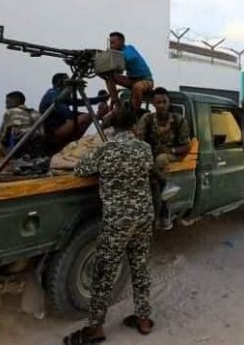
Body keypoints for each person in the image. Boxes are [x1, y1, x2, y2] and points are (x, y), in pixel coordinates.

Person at [66, 107, 155, 345]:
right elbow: (148, 167)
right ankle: (144, 319)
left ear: (113, 127)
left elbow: (81, 170)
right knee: (139, 265)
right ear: (135, 126)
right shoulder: (145, 149)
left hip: (118, 220)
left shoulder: (106, 149)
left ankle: (95, 328)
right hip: (144, 216)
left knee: (104, 271)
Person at [136, 87, 191, 229]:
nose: (161, 105)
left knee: (160, 160)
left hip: (169, 154)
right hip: (148, 153)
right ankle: (164, 185)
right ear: (153, 104)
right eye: (158, 102)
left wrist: (171, 149)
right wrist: (146, 153)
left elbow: (186, 146)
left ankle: (163, 211)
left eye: (164, 102)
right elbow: (139, 141)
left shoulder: (179, 120)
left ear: (169, 102)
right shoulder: (147, 119)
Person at [39, 73, 109, 149]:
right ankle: (69, 143)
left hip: (58, 130)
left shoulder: (59, 94)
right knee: (87, 116)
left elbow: (81, 102)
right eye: (68, 82)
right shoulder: (52, 94)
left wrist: (100, 99)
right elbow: (68, 114)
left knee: (87, 116)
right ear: (62, 83)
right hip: (53, 133)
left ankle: (68, 143)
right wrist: (93, 116)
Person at [103, 32, 153, 113]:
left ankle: (135, 113)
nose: (111, 46)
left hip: (146, 80)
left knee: (137, 87)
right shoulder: (119, 54)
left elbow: (119, 68)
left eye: (113, 43)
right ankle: (117, 104)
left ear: (121, 42)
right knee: (109, 77)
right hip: (131, 81)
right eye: (110, 43)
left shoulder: (128, 51)